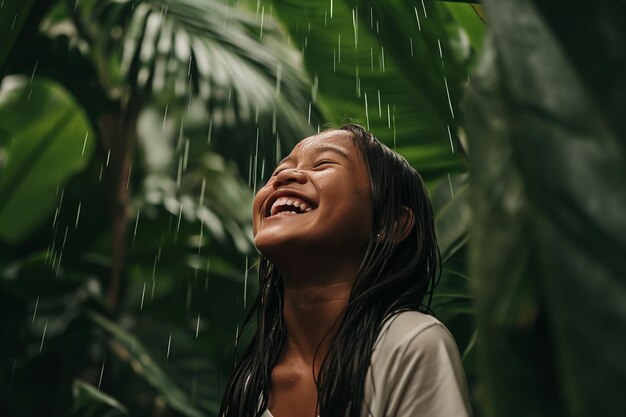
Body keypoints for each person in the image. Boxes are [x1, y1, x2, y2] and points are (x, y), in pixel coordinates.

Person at [219, 124, 472, 417]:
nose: (285, 176)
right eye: (278, 171)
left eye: (324, 163)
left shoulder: (407, 344)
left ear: (389, 223)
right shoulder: (251, 386)